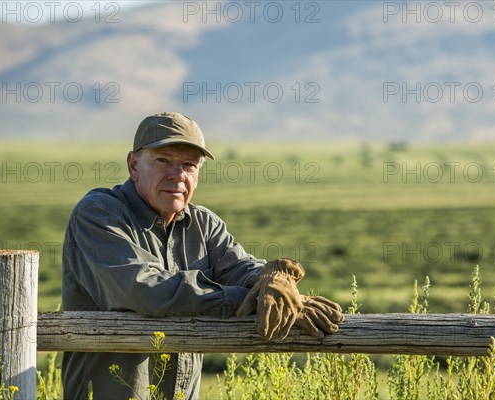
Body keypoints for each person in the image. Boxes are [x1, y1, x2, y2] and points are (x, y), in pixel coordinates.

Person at [61, 112, 344, 399]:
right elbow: (145, 290)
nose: (177, 175)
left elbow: (240, 266)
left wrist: (274, 280)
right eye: (164, 160)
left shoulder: (204, 223)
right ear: (134, 165)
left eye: (189, 165)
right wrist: (247, 300)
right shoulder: (99, 214)